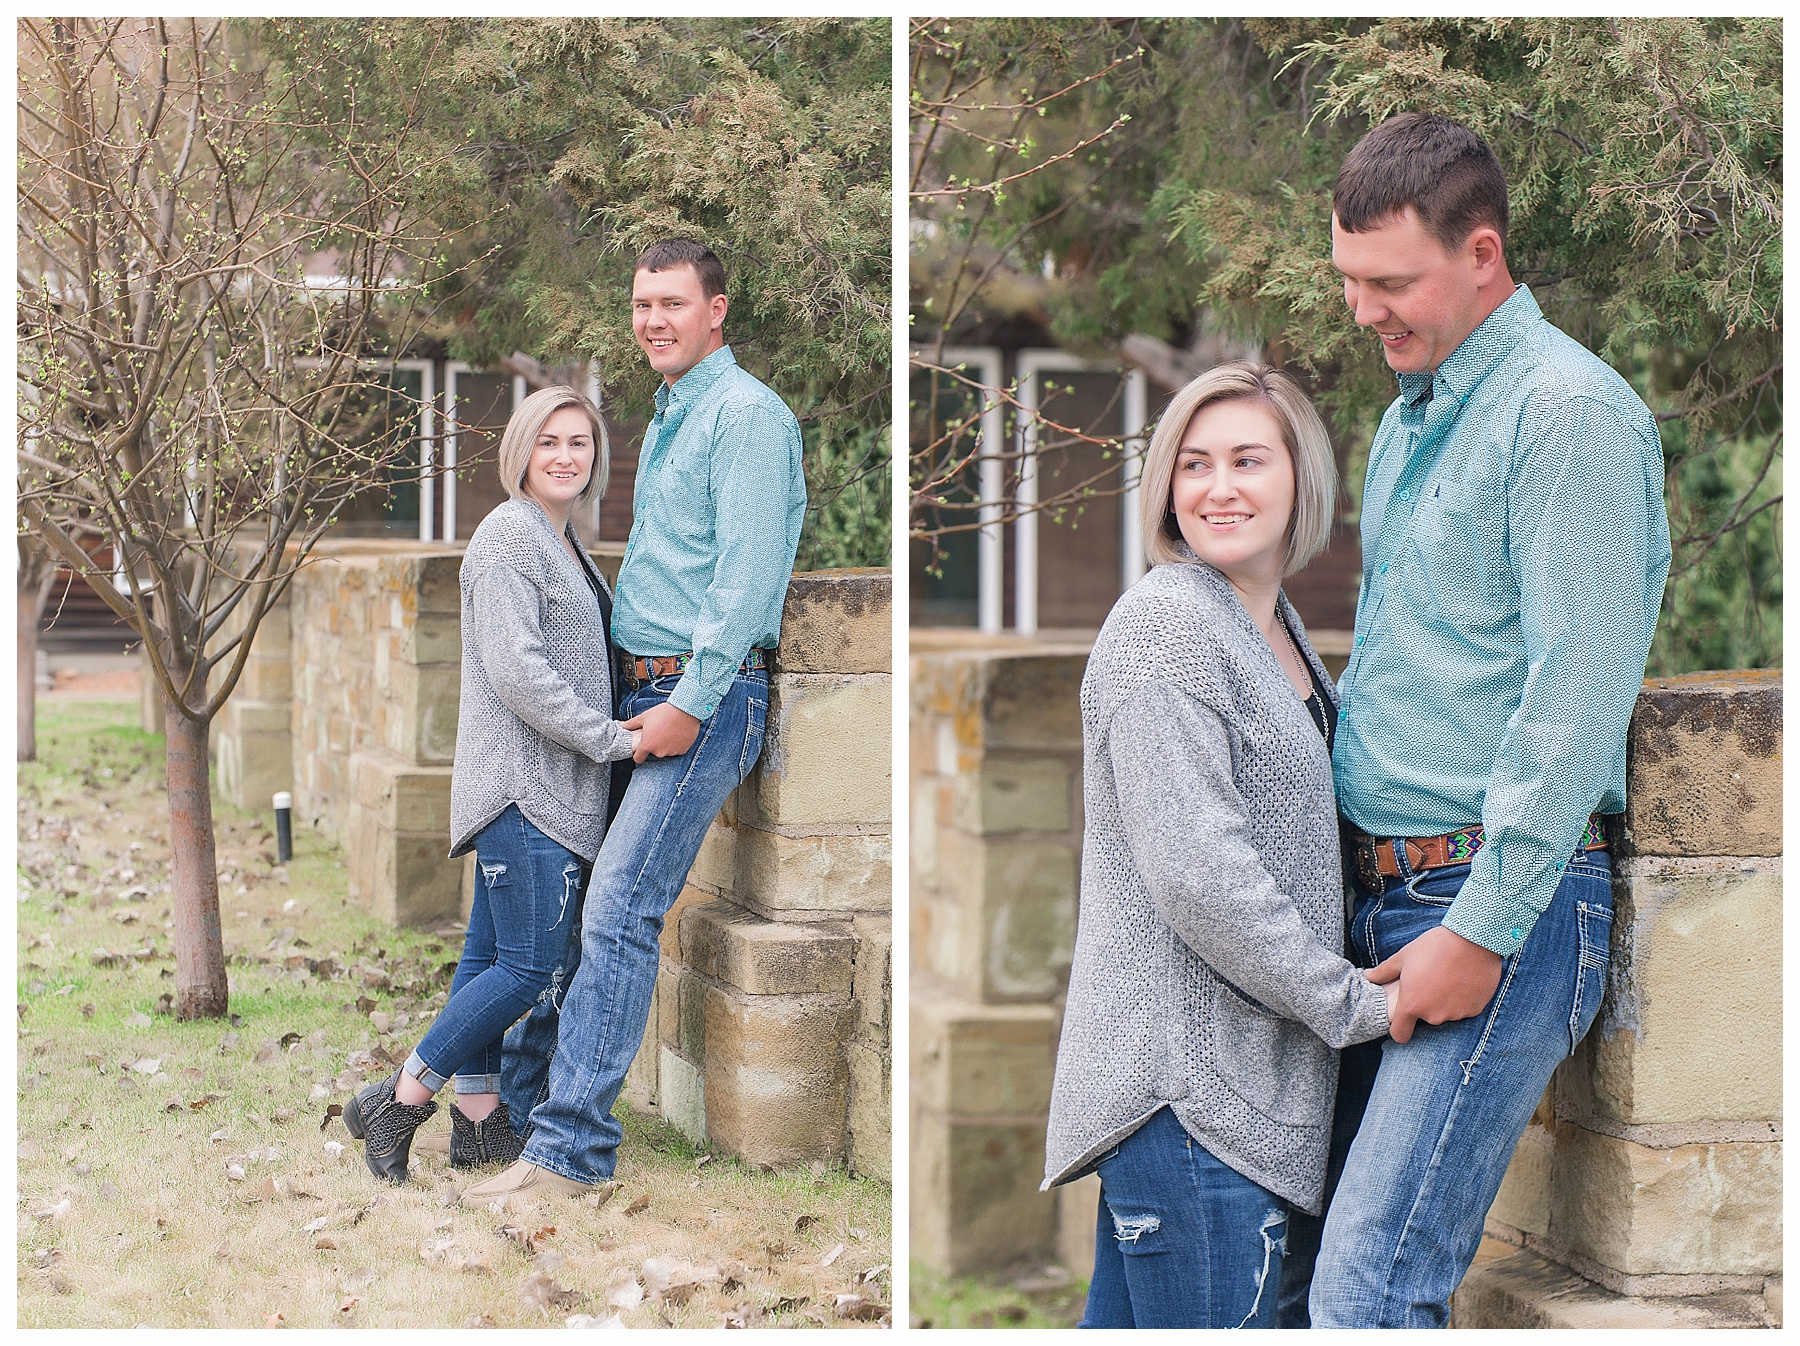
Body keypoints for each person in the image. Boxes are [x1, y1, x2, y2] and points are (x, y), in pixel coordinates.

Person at [1287, 112, 1672, 1328]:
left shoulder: (1568, 414)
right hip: (1377, 903)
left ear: (1484, 255)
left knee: (1368, 1292)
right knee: (1304, 1271)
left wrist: (1485, 924)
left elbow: (1577, 691)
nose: (1363, 312)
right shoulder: (1411, 418)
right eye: (1349, 280)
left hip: (1491, 908)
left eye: (1390, 282)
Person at [1042, 362, 1393, 1329]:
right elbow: (1199, 873)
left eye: (1248, 459)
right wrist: (1352, 1004)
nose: (1219, 487)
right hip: (1192, 1103)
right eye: (1193, 465)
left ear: (1300, 481)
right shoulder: (1168, 628)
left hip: (1243, 1103)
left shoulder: (1272, 627)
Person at [462, 239, 806, 1204]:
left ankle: (571, 1157)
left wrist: (689, 707)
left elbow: (743, 587)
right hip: (635, 694)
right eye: (641, 304)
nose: (654, 320)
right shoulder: (668, 415)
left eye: (673, 303)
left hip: (699, 701)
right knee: (568, 911)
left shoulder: (744, 417)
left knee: (617, 909)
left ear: (717, 310)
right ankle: (525, 1128)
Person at [343, 385, 639, 1182]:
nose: (566, 456)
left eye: (580, 443)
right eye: (550, 442)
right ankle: (398, 1098)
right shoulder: (509, 537)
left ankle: (478, 1121)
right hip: (523, 791)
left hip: (546, 790)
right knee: (532, 967)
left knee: (486, 964)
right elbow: (520, 674)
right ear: (521, 452)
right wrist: (613, 740)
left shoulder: (563, 539)